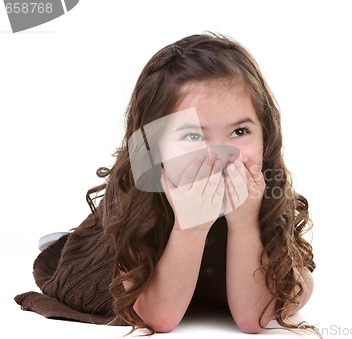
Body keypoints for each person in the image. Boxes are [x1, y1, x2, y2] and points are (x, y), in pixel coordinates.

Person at [15, 32, 317, 335]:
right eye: (194, 136)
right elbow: (159, 318)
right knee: (84, 271)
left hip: (222, 275)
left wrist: (245, 223)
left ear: (266, 133)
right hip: (140, 257)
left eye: (239, 132)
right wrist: (191, 226)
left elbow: (255, 318)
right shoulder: (138, 193)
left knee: (294, 281)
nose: (220, 155)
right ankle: (71, 240)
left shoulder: (263, 185)